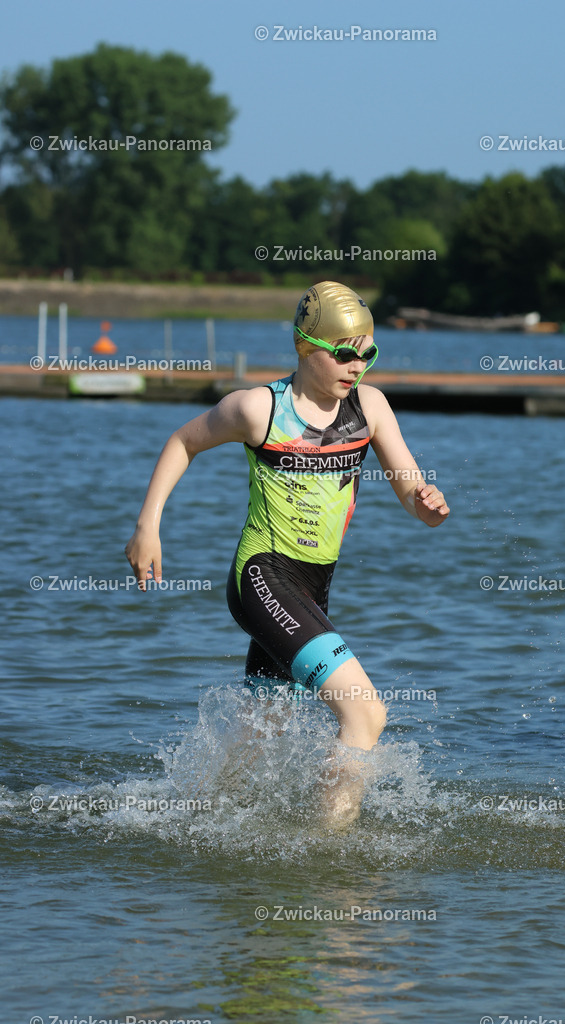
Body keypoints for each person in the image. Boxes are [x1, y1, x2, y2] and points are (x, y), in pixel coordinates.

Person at [125, 281, 449, 824]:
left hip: (313, 591)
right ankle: (330, 851)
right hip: (263, 578)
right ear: (304, 346)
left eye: (367, 354)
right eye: (343, 354)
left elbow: (410, 489)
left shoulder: (369, 407)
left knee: (261, 734)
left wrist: (428, 505)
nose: (356, 367)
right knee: (365, 714)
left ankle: (182, 816)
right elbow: (183, 442)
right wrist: (147, 527)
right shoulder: (259, 409)